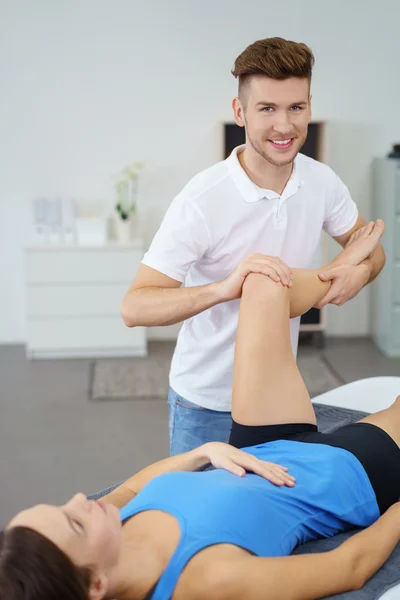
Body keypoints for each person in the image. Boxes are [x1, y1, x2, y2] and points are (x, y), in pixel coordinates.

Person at [2, 220, 399, 600]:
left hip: (260, 448)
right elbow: (351, 567)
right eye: (75, 522)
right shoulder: (206, 580)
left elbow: (132, 487)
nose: (79, 499)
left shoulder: (112, 525)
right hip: (337, 473)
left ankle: (338, 270)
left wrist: (203, 452)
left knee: (262, 281)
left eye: (61, 506)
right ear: (95, 587)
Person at [120, 37, 386, 456]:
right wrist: (225, 288)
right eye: (267, 109)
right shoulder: (203, 199)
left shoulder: (321, 181)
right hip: (206, 404)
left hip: (278, 395)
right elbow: (134, 307)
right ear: (239, 111)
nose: (284, 126)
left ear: (310, 106)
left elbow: (371, 248)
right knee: (202, 520)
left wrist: (358, 269)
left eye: (296, 108)